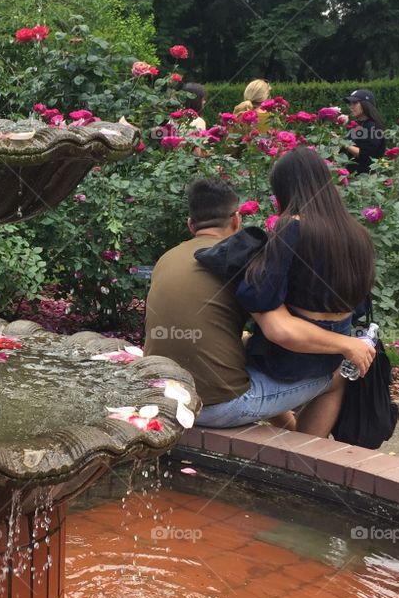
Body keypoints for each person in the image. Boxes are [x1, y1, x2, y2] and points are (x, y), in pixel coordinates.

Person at [143, 177, 375, 429]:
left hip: (164, 397)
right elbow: (281, 330)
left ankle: (291, 436)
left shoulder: (167, 258)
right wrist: (348, 344)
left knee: (247, 350)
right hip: (216, 408)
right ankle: (305, 462)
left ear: (191, 224)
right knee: (338, 377)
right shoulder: (241, 259)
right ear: (236, 219)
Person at [235, 146, 376, 436]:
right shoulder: (358, 232)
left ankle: (301, 443)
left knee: (236, 345)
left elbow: (260, 295)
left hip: (290, 357)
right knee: (334, 384)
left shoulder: (291, 226)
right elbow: (359, 303)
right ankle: (309, 447)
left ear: (286, 189)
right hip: (334, 351)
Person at [344, 89, 385, 173]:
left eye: (355, 103)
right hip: (351, 177)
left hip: (365, 180)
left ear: (365, 105)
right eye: (350, 103)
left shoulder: (373, 126)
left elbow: (366, 154)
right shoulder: (356, 125)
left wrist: (342, 142)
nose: (351, 106)